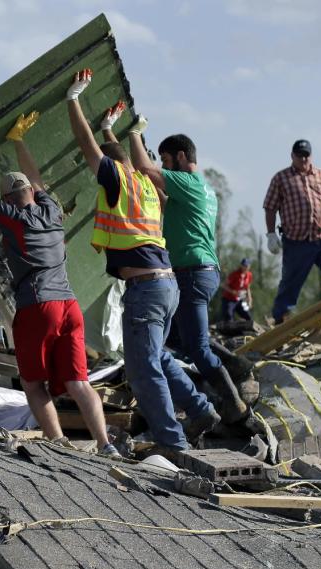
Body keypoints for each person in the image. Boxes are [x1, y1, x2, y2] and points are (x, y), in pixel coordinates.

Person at [66, 68, 219, 455]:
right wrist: (110, 129)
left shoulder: (116, 179)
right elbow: (110, 151)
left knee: (142, 369)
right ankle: (200, 409)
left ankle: (173, 442)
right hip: (166, 286)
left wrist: (74, 101)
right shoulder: (145, 185)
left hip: (146, 290)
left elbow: (89, 150)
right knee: (159, 356)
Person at [0, 112, 121, 457]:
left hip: (37, 305)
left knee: (32, 381)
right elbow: (37, 177)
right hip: (69, 307)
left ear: (10, 199)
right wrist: (18, 141)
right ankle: (105, 445)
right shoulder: (51, 210)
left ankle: (58, 444)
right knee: (79, 382)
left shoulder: (13, 218)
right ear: (31, 192)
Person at [120, 115, 249, 423]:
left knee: (197, 348)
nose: (162, 165)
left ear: (180, 157)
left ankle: (235, 404)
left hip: (191, 273)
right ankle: (232, 369)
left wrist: (134, 135)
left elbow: (146, 171)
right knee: (176, 339)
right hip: (199, 272)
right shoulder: (200, 190)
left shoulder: (190, 181)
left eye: (166, 160)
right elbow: (162, 198)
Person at [264, 139, 321, 323]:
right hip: (297, 242)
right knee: (290, 284)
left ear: (311, 155)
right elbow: (270, 207)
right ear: (292, 156)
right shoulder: (281, 178)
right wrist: (271, 233)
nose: (303, 159)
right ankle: (281, 321)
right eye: (299, 155)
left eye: (306, 155)